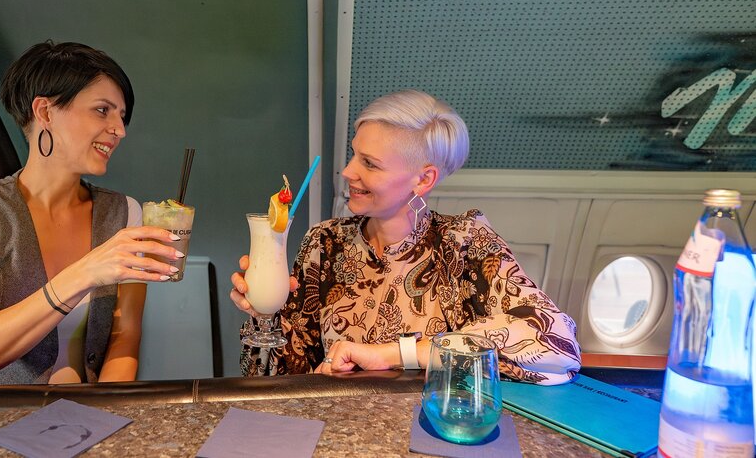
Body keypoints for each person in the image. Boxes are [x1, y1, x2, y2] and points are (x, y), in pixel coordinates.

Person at [231, 90, 581, 385]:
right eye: (354, 154)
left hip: (431, 429)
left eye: (370, 163)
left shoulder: (463, 241)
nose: (348, 171)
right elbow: (271, 381)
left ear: (423, 180)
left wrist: (392, 354)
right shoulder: (323, 244)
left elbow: (556, 346)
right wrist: (264, 317)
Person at [0, 41, 181, 386]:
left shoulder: (125, 212)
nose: (120, 130)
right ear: (45, 112)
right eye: (103, 110)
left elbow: (124, 340)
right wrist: (85, 272)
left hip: (80, 418)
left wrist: (105, 416)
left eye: (122, 116)